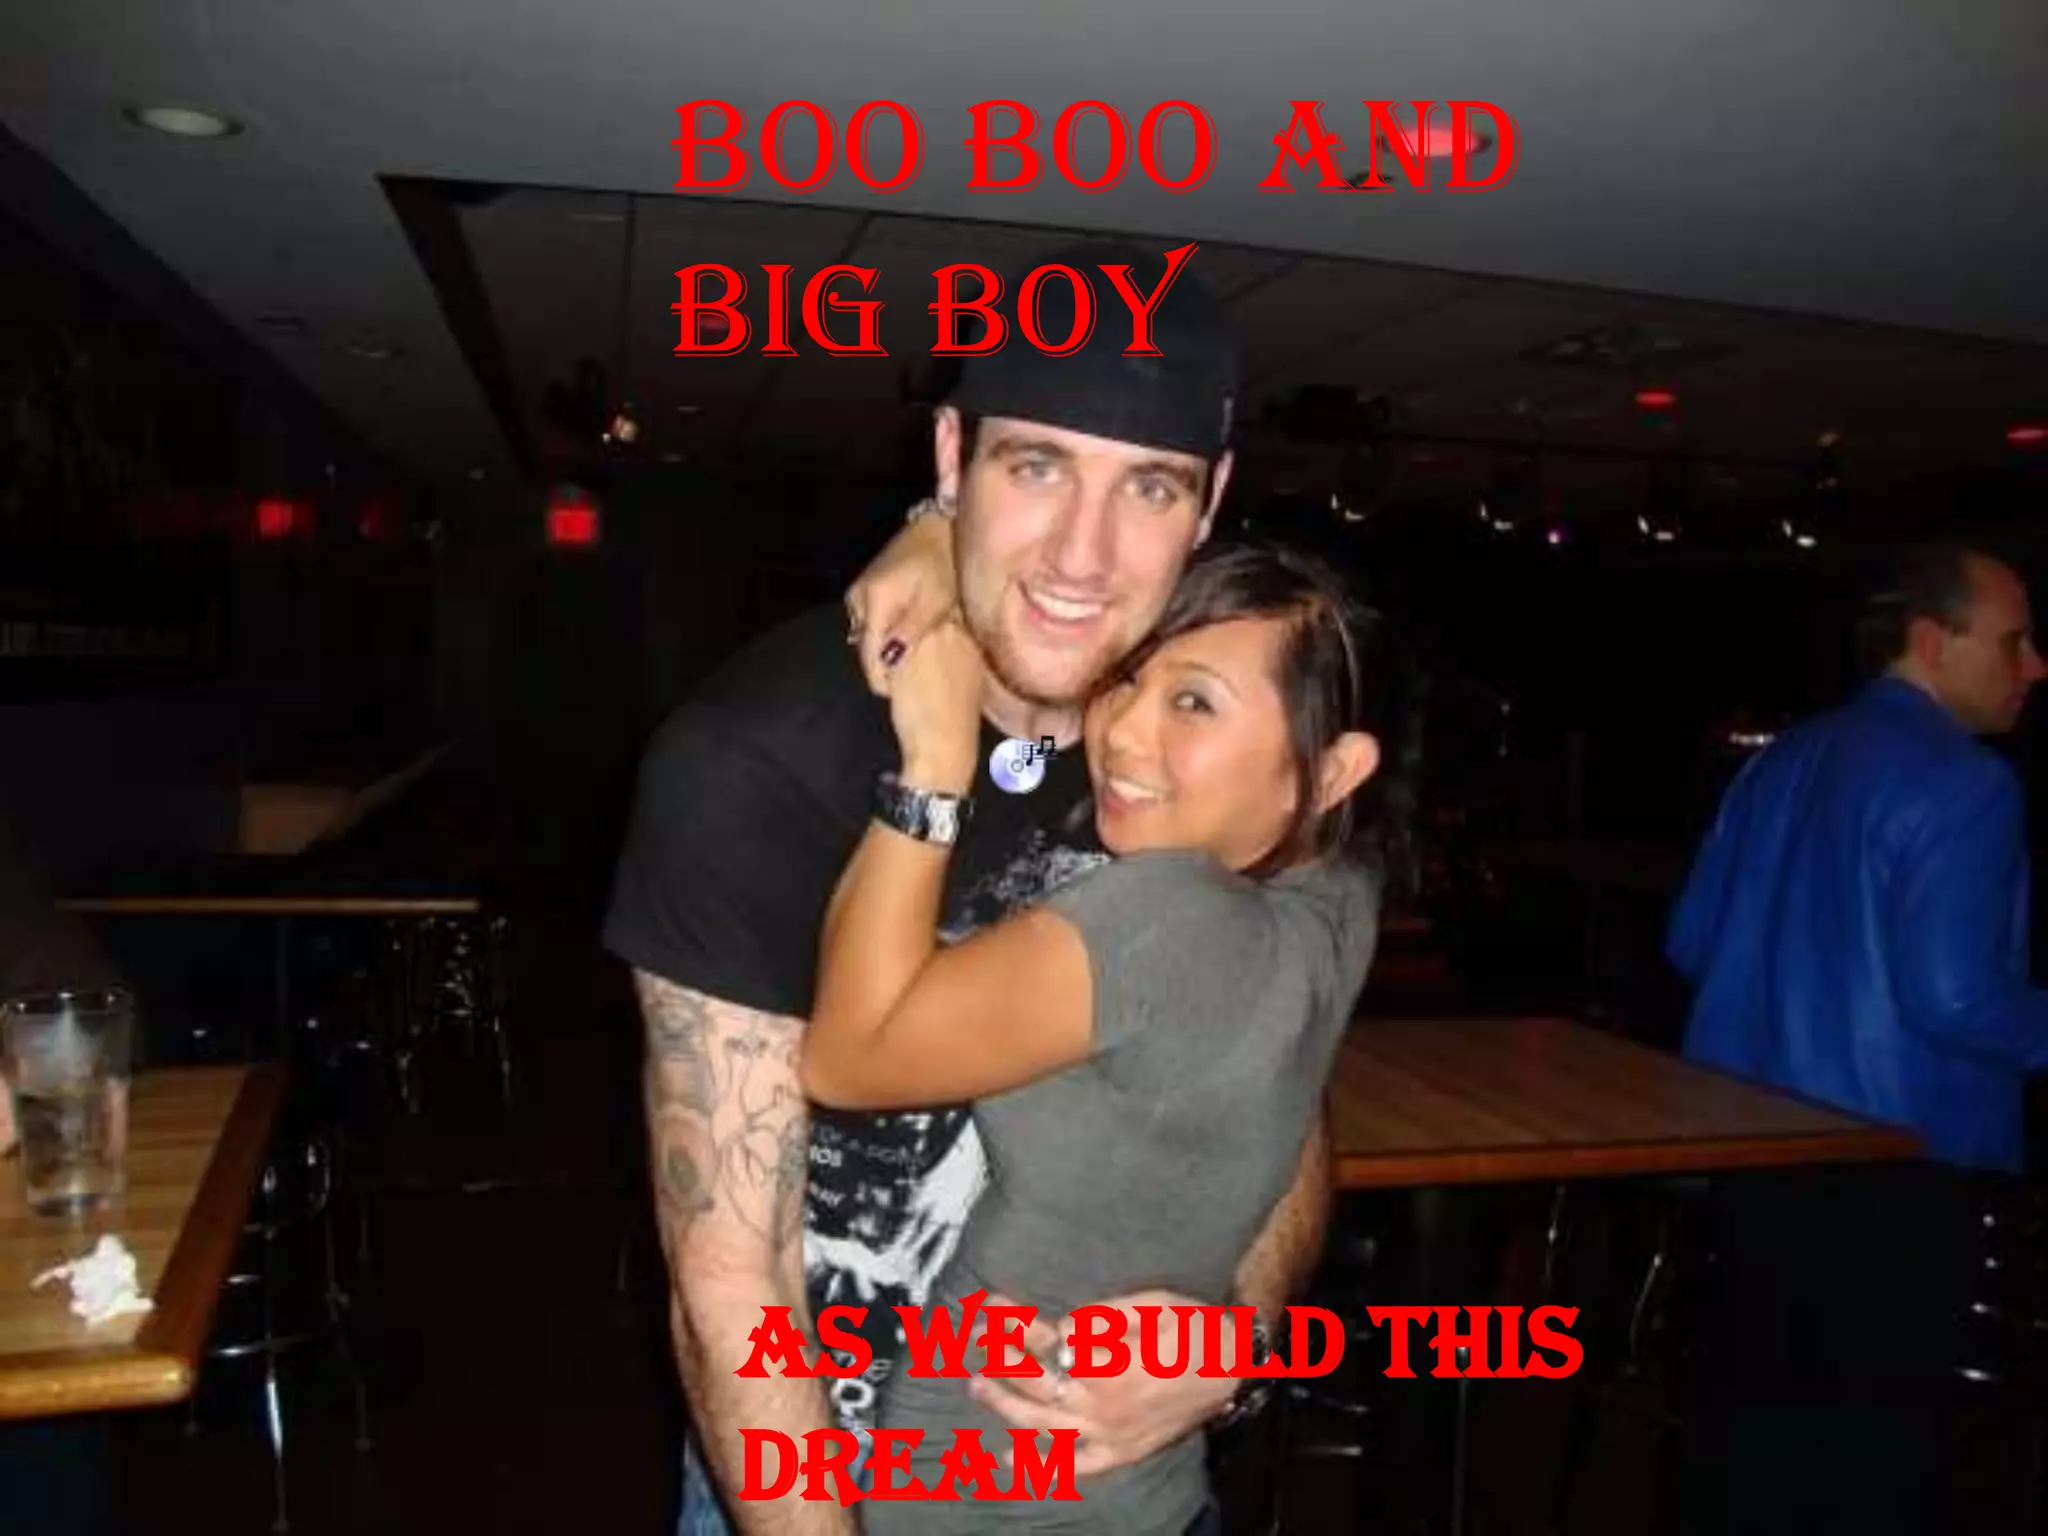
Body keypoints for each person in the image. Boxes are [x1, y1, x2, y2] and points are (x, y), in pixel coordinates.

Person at [604, 244, 1341, 1535]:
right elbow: (734, 1282)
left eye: (1149, 486)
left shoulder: (1204, 747)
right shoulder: (754, 762)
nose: (1083, 554)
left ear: (1211, 500)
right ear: (951, 459)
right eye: (1036, 465)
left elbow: (1270, 1100)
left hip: (1128, 1503)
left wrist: (1233, 1340)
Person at [802, 542, 1390, 1532]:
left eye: (1192, 702)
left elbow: (846, 1059)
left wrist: (933, 769)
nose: (1120, 733)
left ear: (1329, 771)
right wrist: (940, 538)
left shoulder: (1167, 918)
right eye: (1128, 678)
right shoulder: (1338, 901)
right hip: (1144, 1497)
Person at [1666, 540, 2048, 1535]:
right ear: (1932, 640)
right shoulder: (1968, 783)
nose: (2035, 666)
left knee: (1749, 1423)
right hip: (1894, 1154)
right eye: (2014, 641)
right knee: (1870, 1451)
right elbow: (1955, 999)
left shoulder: (1780, 759)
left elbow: (1691, 939)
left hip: (1752, 1141)